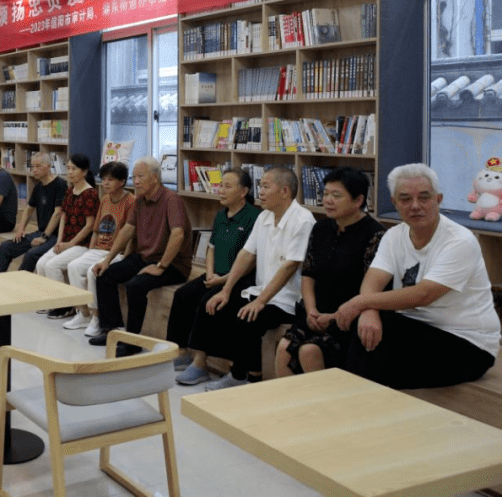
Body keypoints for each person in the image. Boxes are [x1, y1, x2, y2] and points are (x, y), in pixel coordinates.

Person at [337, 163, 500, 389]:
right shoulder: (394, 235)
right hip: (417, 328)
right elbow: (373, 280)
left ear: (438, 199)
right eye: (405, 199)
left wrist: (360, 303)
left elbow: (424, 294)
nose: (415, 206)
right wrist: (368, 311)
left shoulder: (459, 241)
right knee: (361, 330)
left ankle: (358, 398)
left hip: (468, 344)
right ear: (394, 203)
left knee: (377, 352)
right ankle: (359, 397)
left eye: (424, 198)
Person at [196, 166, 315, 391]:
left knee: (248, 318)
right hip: (261, 290)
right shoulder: (264, 216)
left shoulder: (303, 220)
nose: (260, 191)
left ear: (285, 191)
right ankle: (235, 370)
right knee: (221, 305)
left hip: (288, 299)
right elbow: (246, 254)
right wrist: (225, 290)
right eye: (260, 186)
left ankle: (250, 378)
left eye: (266, 186)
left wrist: (260, 301)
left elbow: (289, 267)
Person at [275, 167, 385, 377]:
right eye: (325, 194)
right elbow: (308, 273)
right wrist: (311, 310)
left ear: (358, 200)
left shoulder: (374, 235)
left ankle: (326, 400)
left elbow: (372, 290)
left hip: (349, 319)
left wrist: (334, 317)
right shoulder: (321, 228)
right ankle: (287, 400)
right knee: (284, 348)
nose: (328, 200)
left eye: (336, 195)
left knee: (309, 351)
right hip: (315, 313)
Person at [90, 157, 192, 355]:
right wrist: (107, 260)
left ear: (154, 178)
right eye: (134, 177)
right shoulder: (139, 201)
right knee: (104, 275)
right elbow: (127, 230)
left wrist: (161, 266)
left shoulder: (171, 200)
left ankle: (132, 342)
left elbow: (178, 234)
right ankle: (112, 331)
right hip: (145, 258)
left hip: (173, 264)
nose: (135, 181)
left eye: (140, 177)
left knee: (135, 286)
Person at [169, 168, 261, 385]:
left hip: (238, 279)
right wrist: (210, 273)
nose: (221, 190)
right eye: (220, 185)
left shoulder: (254, 217)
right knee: (183, 295)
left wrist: (222, 280)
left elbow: (250, 260)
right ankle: (182, 352)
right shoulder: (220, 215)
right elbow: (211, 248)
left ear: (243, 191)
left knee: (206, 302)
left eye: (227, 186)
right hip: (215, 274)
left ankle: (200, 363)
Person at [40, 161, 135, 338]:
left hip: (116, 252)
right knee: (74, 266)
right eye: (103, 179)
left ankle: (96, 317)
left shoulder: (131, 201)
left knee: (94, 272)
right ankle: (83, 313)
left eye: (111, 180)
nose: (105, 183)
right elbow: (96, 230)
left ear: (122, 181)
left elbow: (131, 233)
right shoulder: (105, 199)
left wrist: (125, 256)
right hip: (98, 248)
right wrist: (91, 249)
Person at [35, 153, 99, 321]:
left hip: (81, 244)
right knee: (41, 263)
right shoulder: (70, 191)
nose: (70, 172)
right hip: (65, 241)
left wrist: (70, 244)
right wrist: (59, 242)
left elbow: (90, 225)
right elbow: (63, 217)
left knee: (52, 266)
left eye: (74, 169)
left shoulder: (90, 194)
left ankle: (66, 305)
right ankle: (52, 300)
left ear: (84, 172)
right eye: (68, 168)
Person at [0, 152, 66, 273]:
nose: (34, 170)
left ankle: (19, 283)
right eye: (32, 166)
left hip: (54, 236)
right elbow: (29, 209)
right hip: (40, 232)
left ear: (48, 166)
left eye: (38, 166)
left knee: (31, 254)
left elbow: (58, 213)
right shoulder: (38, 186)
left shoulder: (60, 184)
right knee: (5, 247)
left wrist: (44, 237)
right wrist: (21, 229)